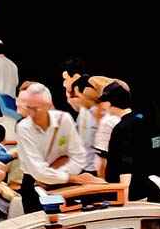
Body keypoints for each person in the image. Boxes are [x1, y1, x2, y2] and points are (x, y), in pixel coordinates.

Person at [14, 83, 100, 212]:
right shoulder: (23, 127)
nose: (20, 105)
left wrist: (57, 175)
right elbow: (38, 171)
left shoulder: (63, 120)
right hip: (34, 185)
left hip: (62, 184)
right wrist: (76, 178)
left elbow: (76, 156)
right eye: (21, 100)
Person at [97, 82, 156, 200]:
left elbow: (125, 163)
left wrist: (124, 197)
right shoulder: (140, 121)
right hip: (142, 188)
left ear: (108, 103)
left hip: (129, 194)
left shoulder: (122, 127)